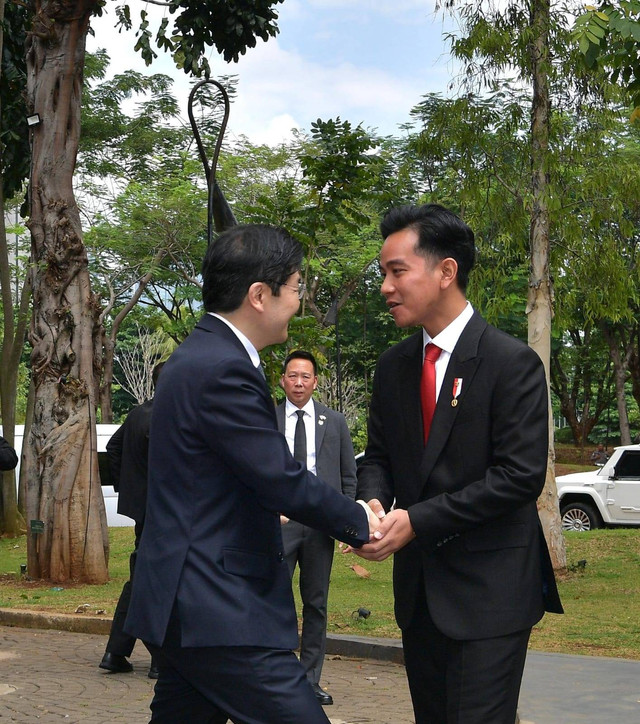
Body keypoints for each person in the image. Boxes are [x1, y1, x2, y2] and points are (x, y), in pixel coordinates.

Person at [124, 223, 379, 724]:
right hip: (218, 607)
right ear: (260, 295)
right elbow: (279, 477)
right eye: (297, 288)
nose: (300, 303)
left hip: (187, 601)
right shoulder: (223, 367)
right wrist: (361, 520)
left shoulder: (198, 356)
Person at [354, 203, 563, 724]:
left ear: (447, 272)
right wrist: (374, 503)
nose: (385, 286)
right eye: (384, 272)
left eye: (397, 271)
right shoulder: (394, 366)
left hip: (489, 594)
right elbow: (378, 455)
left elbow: (518, 477)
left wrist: (416, 521)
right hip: (420, 596)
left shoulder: (511, 363)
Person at [277, 350, 357, 706]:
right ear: (282, 380)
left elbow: (348, 478)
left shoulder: (334, 421)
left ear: (315, 382)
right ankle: (276, 677)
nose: (298, 382)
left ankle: (309, 680)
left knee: (316, 603)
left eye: (305, 376)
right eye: (292, 376)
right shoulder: (267, 418)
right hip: (280, 523)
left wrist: (344, 523)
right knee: (274, 599)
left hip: (320, 524)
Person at [99, 362, 164, 678]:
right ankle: (158, 655)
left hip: (144, 511)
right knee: (159, 581)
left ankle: (116, 651)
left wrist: (127, 488)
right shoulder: (171, 417)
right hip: (165, 513)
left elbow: (113, 447)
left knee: (140, 579)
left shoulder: (138, 413)